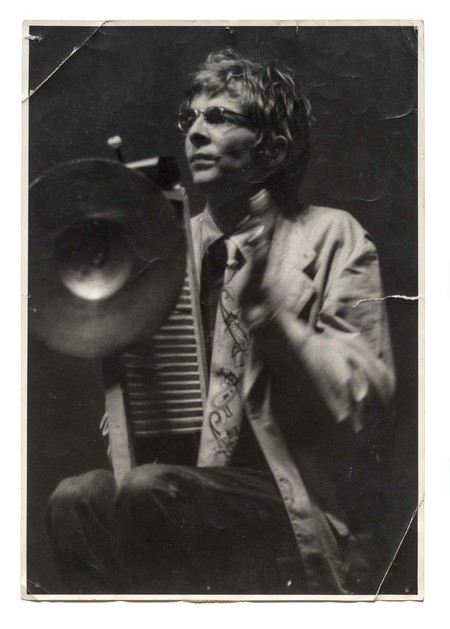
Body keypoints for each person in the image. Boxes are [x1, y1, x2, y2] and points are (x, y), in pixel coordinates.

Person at [47, 48, 395, 596]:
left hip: (284, 495)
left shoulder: (331, 236)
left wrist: (271, 317)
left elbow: (363, 406)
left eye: (221, 117)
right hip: (172, 485)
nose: (196, 134)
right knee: (76, 496)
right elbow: (132, 402)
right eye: (191, 120)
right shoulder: (162, 249)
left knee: (148, 488)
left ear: (274, 148)